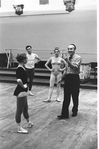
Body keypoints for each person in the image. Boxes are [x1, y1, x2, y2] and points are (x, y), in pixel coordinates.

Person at [57, 44, 82, 119]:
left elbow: (75, 68)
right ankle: (64, 114)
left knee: (75, 95)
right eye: (68, 49)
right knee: (66, 96)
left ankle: (75, 111)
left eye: (71, 49)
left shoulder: (78, 57)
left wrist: (68, 61)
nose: (69, 50)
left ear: (74, 49)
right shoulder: (67, 58)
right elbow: (66, 70)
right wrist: (61, 77)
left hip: (74, 78)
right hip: (68, 78)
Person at [14, 53, 33, 134]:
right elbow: (18, 80)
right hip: (21, 92)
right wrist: (24, 87)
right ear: (23, 60)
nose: (27, 60)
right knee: (19, 110)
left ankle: (28, 122)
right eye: (25, 59)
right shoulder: (19, 69)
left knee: (25, 108)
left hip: (23, 92)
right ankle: (19, 127)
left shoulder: (22, 67)